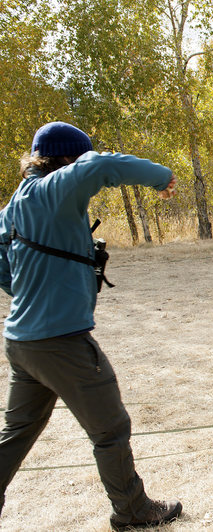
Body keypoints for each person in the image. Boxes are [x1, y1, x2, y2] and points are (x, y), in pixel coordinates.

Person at [0, 122, 181, 529]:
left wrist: (33, 292)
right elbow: (99, 166)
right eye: (77, 158)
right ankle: (133, 511)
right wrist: (161, 176)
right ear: (65, 159)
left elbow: (1, 259)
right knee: (111, 428)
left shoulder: (16, 204)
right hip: (60, 341)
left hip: (22, 341)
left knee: (15, 434)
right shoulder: (53, 189)